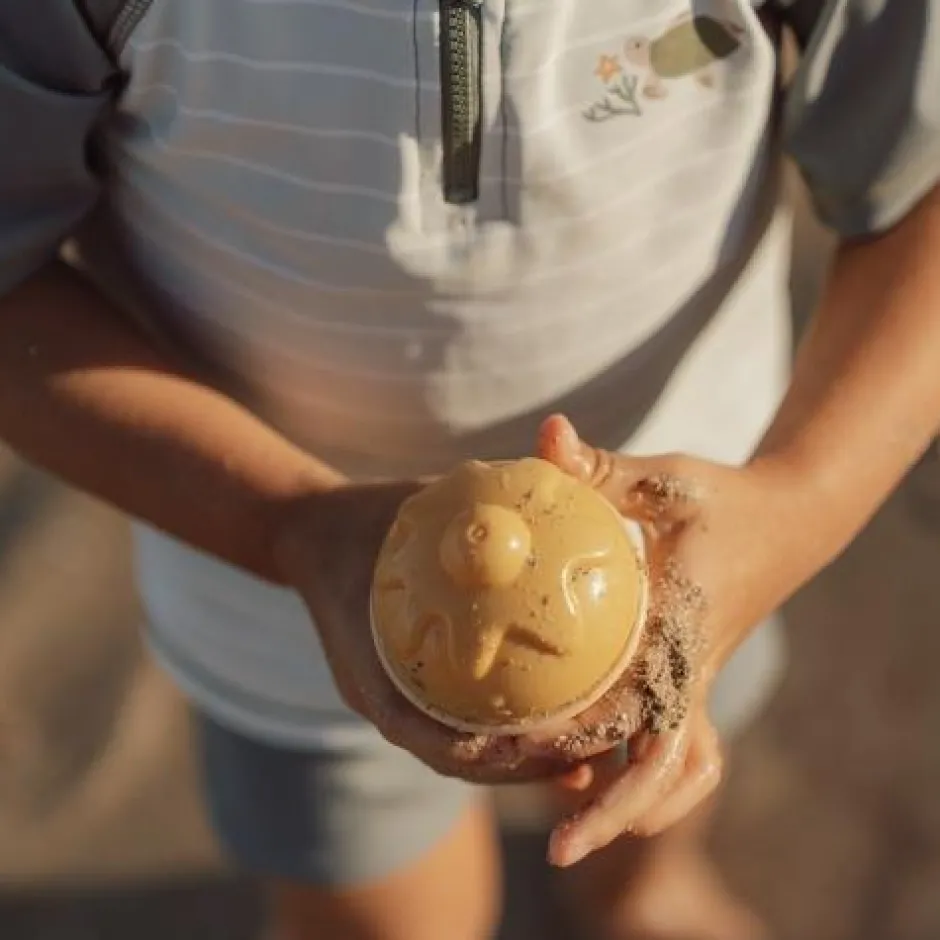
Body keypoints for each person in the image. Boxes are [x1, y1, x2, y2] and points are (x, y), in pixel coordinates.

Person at [1, 0, 938, 937]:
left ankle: (633, 895)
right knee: (377, 910)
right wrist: (283, 523)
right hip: (266, 575)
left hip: (700, 548)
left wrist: (803, 498)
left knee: (650, 791)